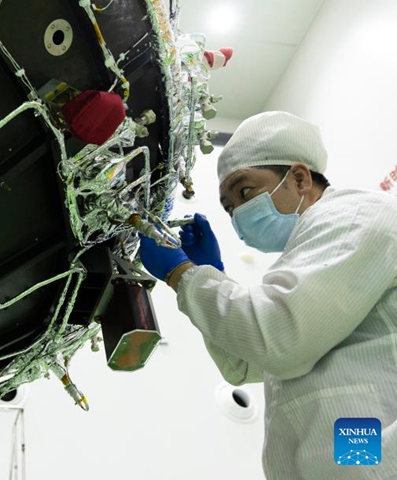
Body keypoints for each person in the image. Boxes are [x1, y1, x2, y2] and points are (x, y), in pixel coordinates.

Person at [138, 111, 397, 479]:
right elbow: (243, 364)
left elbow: (278, 339)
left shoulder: (355, 217)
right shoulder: (308, 256)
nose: (239, 212)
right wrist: (212, 276)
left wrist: (184, 274)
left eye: (244, 191)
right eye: (229, 208)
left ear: (299, 177)